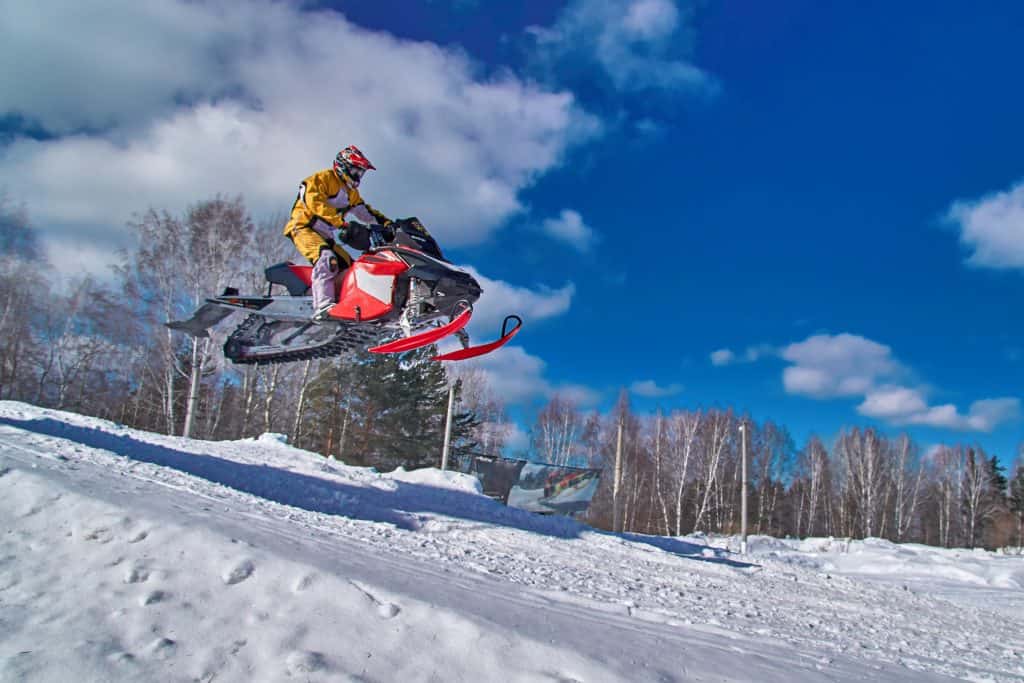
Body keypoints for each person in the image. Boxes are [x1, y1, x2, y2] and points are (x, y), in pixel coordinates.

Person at [283, 145, 392, 320]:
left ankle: (349, 308)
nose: (358, 176)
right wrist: (341, 223)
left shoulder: (352, 193)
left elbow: (366, 212)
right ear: (344, 166)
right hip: (303, 227)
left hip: (325, 235)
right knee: (327, 258)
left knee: (353, 269)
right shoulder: (324, 179)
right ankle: (322, 306)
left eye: (361, 173)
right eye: (356, 171)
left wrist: (388, 225)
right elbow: (314, 201)